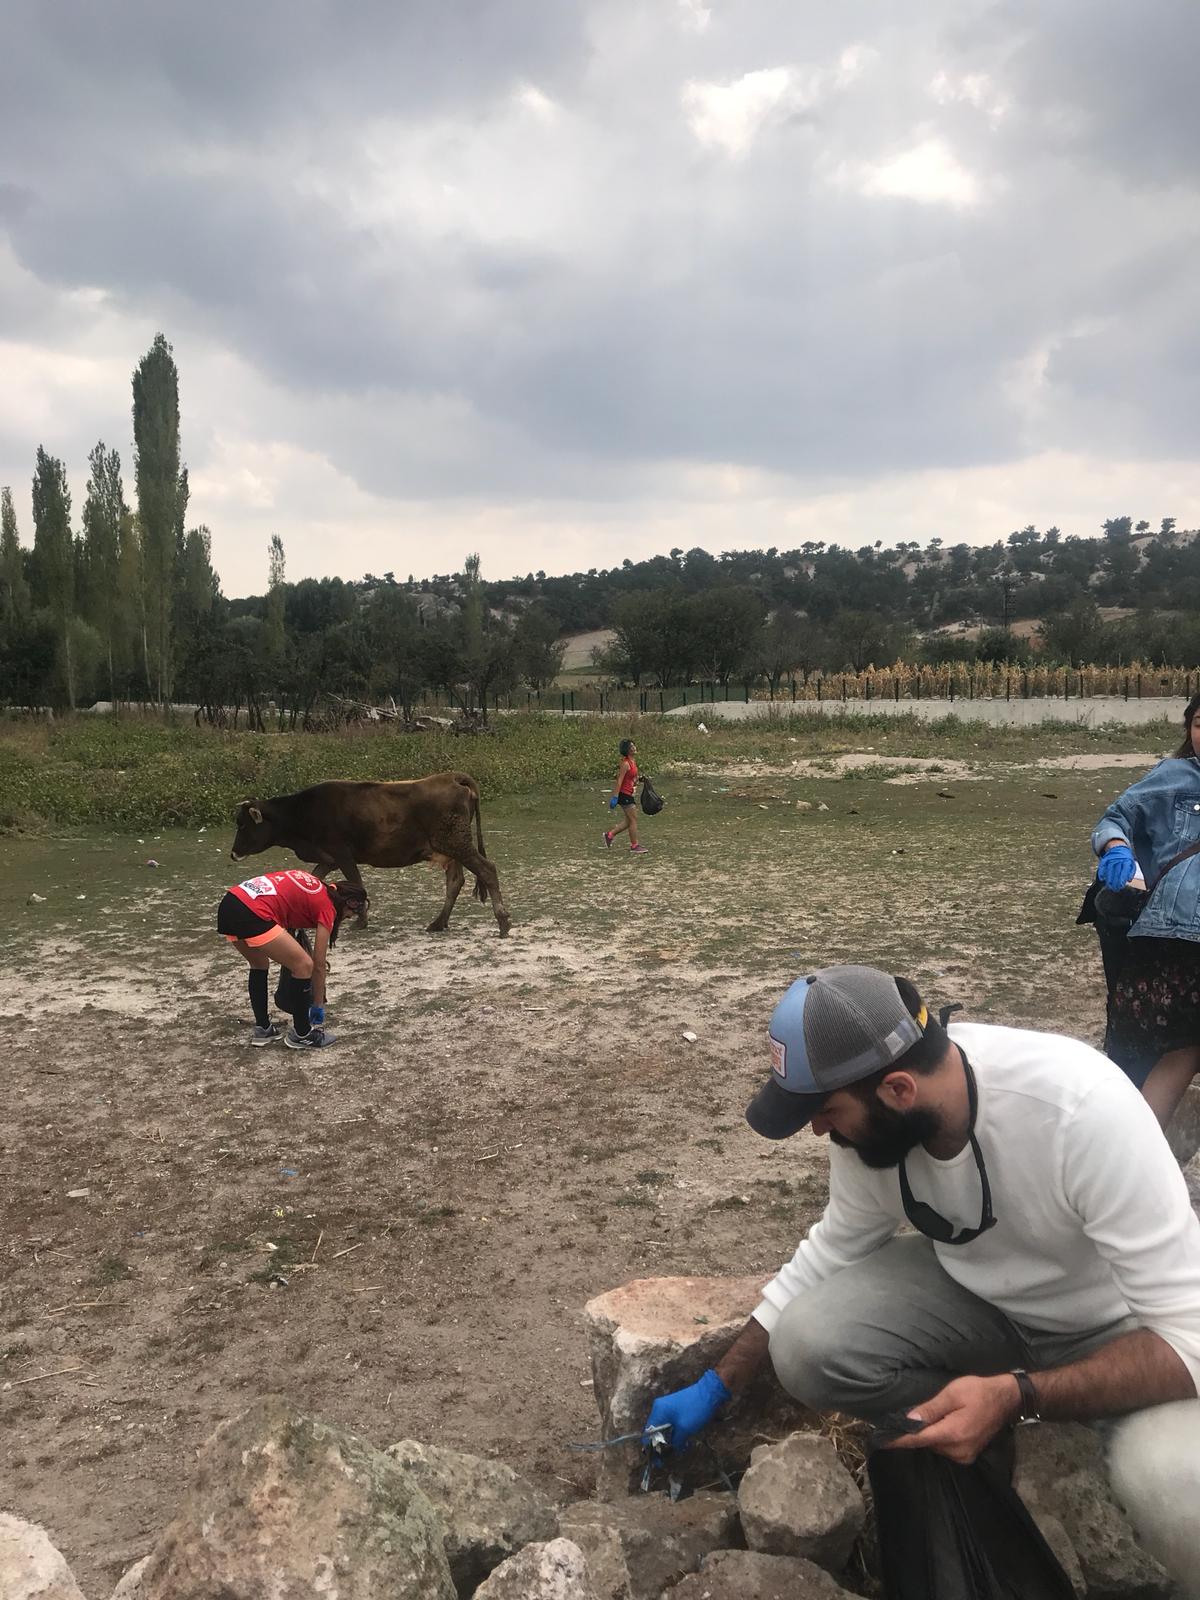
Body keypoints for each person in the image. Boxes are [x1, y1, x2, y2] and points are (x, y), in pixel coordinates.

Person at [643, 965, 1200, 1530]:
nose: (818, 1131)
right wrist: (718, 1384)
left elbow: (1191, 1342)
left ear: (899, 1090)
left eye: (826, 1112)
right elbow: (832, 1247)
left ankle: (1030, 1422)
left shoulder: (1081, 1109)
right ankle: (985, 1427)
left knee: (1170, 1485)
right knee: (807, 1344)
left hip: (1112, 1330)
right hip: (981, 1305)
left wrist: (1022, 1395)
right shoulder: (874, 1124)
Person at [1091, 691, 1200, 1128]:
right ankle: (1138, 1147)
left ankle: (1141, 1146)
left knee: (1184, 1050)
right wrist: (1116, 847)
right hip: (1172, 945)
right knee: (1176, 1049)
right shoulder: (1173, 777)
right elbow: (1114, 819)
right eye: (1199, 723)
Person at [216, 868, 367, 1048]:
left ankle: (263, 1029)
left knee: (259, 963)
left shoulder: (317, 888)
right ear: (348, 903)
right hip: (253, 911)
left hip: (231, 902)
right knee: (303, 965)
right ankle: (302, 1034)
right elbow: (318, 965)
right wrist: (318, 1005)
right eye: (350, 914)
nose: (348, 917)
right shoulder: (327, 907)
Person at [604, 737, 647, 854]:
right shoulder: (625, 763)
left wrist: (640, 779)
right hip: (624, 795)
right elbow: (620, 780)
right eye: (631, 747)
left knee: (629, 821)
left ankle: (609, 835)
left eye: (634, 745)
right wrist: (615, 797)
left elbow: (632, 777)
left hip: (629, 793)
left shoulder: (633, 762)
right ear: (627, 750)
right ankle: (634, 846)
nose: (634, 748)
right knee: (633, 820)